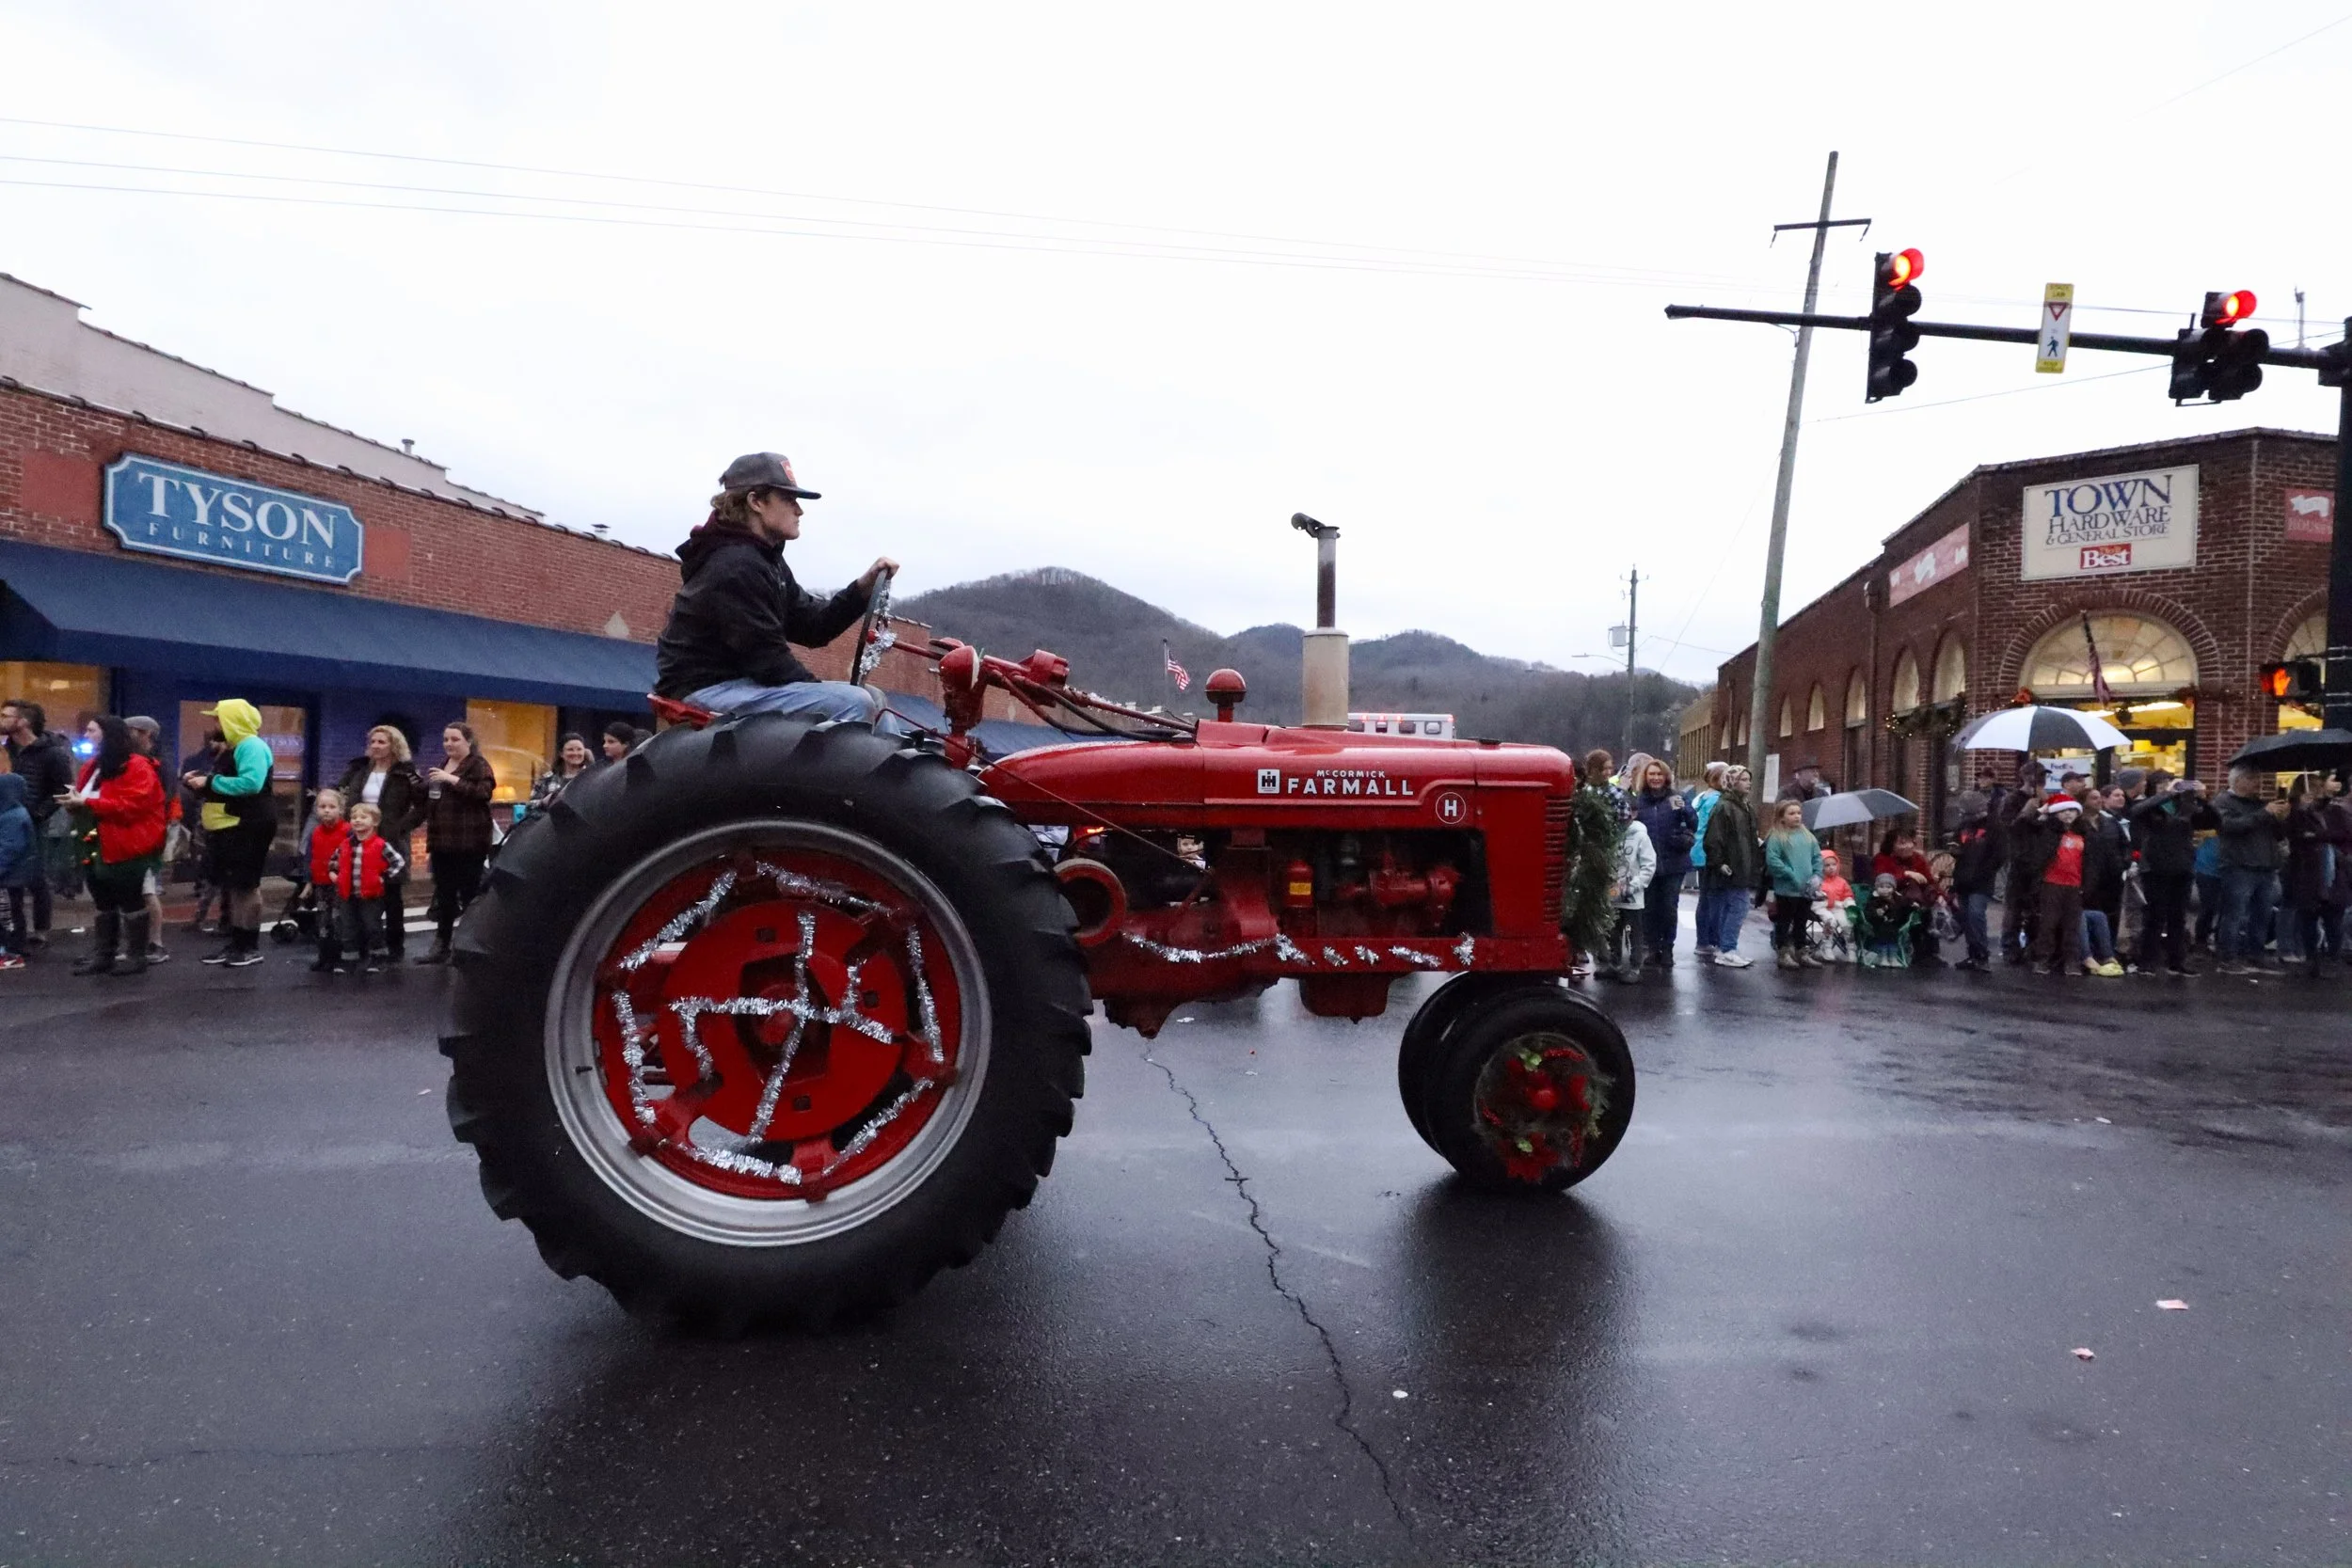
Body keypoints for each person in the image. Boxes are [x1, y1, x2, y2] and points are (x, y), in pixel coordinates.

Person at [651, 452, 899, 722]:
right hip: (705, 688)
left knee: (874, 700)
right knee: (854, 702)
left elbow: (813, 627)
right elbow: (767, 659)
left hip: (741, 682)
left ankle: (893, 765)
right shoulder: (736, 565)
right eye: (789, 499)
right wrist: (820, 691)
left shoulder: (765, 560)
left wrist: (862, 590)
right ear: (756, 501)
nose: (799, 510)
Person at [67, 716, 167, 977]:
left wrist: (88, 805)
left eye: (92, 731)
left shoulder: (137, 767)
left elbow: (134, 805)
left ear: (108, 734)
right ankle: (104, 954)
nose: (86, 735)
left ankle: (137, 955)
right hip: (93, 842)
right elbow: (86, 797)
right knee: (103, 900)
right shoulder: (92, 766)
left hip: (125, 845)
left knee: (131, 899)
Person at [183, 699, 278, 968]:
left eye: (219, 719)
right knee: (235, 887)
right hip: (229, 824)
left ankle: (249, 946)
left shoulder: (252, 746)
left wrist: (209, 781)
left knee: (246, 886)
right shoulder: (233, 748)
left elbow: (251, 783)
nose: (215, 724)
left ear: (233, 720)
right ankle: (236, 942)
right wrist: (198, 784)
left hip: (248, 824)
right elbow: (225, 785)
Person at [337, 726, 427, 961]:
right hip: (359, 837)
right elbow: (342, 793)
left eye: (382, 742)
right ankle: (363, 941)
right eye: (373, 741)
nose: (376, 746)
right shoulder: (359, 769)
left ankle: (394, 943)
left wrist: (401, 827)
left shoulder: (406, 773)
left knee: (391, 890)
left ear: (394, 745)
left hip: (390, 837)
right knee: (359, 891)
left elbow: (423, 805)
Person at [415, 721, 496, 965]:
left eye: (455, 739)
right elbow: (431, 799)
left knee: (470, 894)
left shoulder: (478, 765)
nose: (449, 744)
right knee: (444, 894)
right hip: (442, 840)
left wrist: (451, 779)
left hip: (468, 841)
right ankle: (441, 944)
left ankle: (467, 945)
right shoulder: (442, 765)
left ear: (468, 741)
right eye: (446, 739)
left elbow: (483, 793)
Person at [2, 698, 75, 950]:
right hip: (8, 818)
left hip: (35, 820)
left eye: (6, 715)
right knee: (11, 876)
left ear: (23, 721)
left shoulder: (52, 753)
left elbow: (63, 788)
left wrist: (40, 813)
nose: (2, 720)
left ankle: (41, 929)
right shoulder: (6, 750)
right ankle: (15, 930)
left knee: (36, 877)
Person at [2128, 774, 2215, 977]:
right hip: (2156, 866)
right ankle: (2147, 961)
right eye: (2163, 784)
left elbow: (2212, 821)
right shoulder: (2151, 807)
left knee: (2178, 917)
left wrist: (2203, 798)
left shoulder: (2184, 807)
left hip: (2182, 866)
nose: (2169, 788)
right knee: (2155, 916)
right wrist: (2167, 793)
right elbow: (2136, 811)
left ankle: (2176, 961)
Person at [2212, 766, 2287, 975]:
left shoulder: (2261, 804)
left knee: (2262, 914)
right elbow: (2230, 827)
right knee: (2234, 914)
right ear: (2239, 780)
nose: (2258, 783)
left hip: (2266, 865)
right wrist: (2264, 813)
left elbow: (2278, 835)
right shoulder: (2222, 802)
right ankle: (2227, 957)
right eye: (2253, 778)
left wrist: (2281, 819)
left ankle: (2256, 954)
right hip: (2239, 866)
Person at [1625, 754, 1696, 970]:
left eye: (1659, 774)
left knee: (1669, 907)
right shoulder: (1639, 800)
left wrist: (1684, 809)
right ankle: (1650, 947)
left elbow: (1693, 823)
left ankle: (1667, 948)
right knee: (1648, 908)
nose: (1656, 778)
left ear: (1666, 777)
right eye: (1652, 774)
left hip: (1673, 862)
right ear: (1645, 777)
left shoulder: (1676, 798)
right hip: (1647, 864)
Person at [123, 717, 177, 966]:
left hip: (148, 832)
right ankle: (138, 943)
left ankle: (156, 943)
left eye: (130, 731)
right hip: (134, 831)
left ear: (144, 733)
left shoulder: (157, 763)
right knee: (134, 889)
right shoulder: (137, 759)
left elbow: (160, 799)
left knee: (147, 889)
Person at [330, 802, 407, 974]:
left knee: (372, 925)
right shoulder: (345, 844)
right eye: (354, 818)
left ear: (375, 822)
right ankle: (350, 958)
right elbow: (334, 860)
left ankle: (378, 957)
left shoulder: (380, 844)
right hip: (347, 893)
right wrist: (333, 872)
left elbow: (399, 862)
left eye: (363, 817)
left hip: (372, 894)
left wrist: (385, 877)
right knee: (348, 926)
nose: (357, 821)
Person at [1698, 765, 1758, 968]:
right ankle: (1727, 948)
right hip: (1731, 866)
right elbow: (1713, 838)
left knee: (1731, 907)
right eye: (1743, 779)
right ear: (1731, 782)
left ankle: (1726, 947)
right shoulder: (1725, 807)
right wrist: (1719, 862)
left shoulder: (1744, 807)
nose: (1748, 783)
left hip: (1741, 865)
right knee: (1738, 907)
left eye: (1749, 779)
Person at [2026, 798, 2090, 976]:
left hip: (2075, 884)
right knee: (2048, 923)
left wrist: (2087, 884)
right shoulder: (2047, 831)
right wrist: (2041, 812)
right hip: (2051, 883)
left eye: (2072, 810)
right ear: (2055, 813)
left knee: (2072, 926)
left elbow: (2090, 862)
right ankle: (2042, 960)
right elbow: (2025, 827)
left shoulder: (2084, 833)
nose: (2068, 814)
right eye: (2063, 811)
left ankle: (2072, 962)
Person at [2280, 776, 2332, 976]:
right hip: (2298, 864)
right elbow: (2293, 832)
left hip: (2312, 865)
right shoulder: (2294, 810)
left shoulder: (2315, 810)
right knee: (2291, 906)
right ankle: (2287, 947)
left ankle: (2302, 949)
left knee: (2305, 908)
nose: (2319, 790)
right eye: (2317, 786)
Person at [1762, 800, 1824, 971]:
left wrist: (1817, 875)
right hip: (1787, 889)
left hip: (1806, 888)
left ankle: (1801, 951)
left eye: (1798, 813)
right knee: (1784, 921)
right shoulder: (1777, 836)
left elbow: (1817, 856)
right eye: (1791, 813)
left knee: (1801, 921)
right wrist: (1790, 874)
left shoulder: (1807, 836)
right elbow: (1773, 861)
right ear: (1782, 817)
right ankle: (1783, 952)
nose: (1796, 816)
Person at [180, 728, 228, 935]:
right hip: (210, 822)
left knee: (220, 876)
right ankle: (206, 918)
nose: (212, 745)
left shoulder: (226, 762)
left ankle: (221, 921)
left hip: (221, 823)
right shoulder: (213, 761)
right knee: (213, 873)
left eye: (217, 741)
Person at [1948, 793, 2002, 972]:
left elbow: (2000, 853)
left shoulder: (1994, 827)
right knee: (1966, 917)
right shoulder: (1963, 826)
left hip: (1981, 880)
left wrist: (1986, 870)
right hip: (1963, 878)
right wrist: (1955, 849)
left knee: (1976, 914)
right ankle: (1973, 954)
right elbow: (1956, 843)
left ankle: (1982, 954)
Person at [1600, 812, 1656, 983]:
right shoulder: (1611, 834)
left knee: (1634, 934)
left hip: (1632, 898)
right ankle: (1614, 963)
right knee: (1613, 931)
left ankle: (1634, 967)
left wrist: (1633, 886)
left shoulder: (1641, 837)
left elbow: (1649, 865)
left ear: (1634, 813)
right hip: (1612, 895)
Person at [2078, 794, 2129, 976]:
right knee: (2086, 915)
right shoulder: (2078, 824)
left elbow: (2124, 844)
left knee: (2110, 916)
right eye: (2093, 798)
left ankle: (2108, 952)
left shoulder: (2109, 822)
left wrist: (2124, 862)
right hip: (2088, 879)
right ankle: (2088, 953)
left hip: (2112, 878)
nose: (2098, 801)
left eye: (2099, 798)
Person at [306, 787, 351, 973]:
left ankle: (339, 957)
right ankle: (324, 956)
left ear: (340, 810)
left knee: (338, 919)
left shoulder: (347, 831)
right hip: (320, 882)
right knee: (323, 920)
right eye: (322, 806)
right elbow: (311, 857)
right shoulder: (315, 832)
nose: (326, 810)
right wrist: (308, 882)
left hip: (340, 883)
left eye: (332, 806)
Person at [1689, 761, 1727, 959]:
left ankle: (1703, 940)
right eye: (1726, 777)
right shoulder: (1718, 800)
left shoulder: (1702, 797)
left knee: (1705, 898)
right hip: (1711, 854)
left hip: (1699, 852)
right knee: (1714, 900)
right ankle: (1710, 940)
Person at [0, 773, 35, 969]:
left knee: (9, 915)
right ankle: (11, 949)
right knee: (11, 912)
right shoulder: (14, 813)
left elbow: (9, 849)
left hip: (10, 876)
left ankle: (12, 952)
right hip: (13, 875)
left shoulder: (12, 817)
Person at [532, 733, 596, 807]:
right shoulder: (547, 779)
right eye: (570, 749)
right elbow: (530, 807)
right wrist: (544, 801)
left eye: (579, 749)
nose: (575, 753)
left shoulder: (592, 778)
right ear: (561, 753)